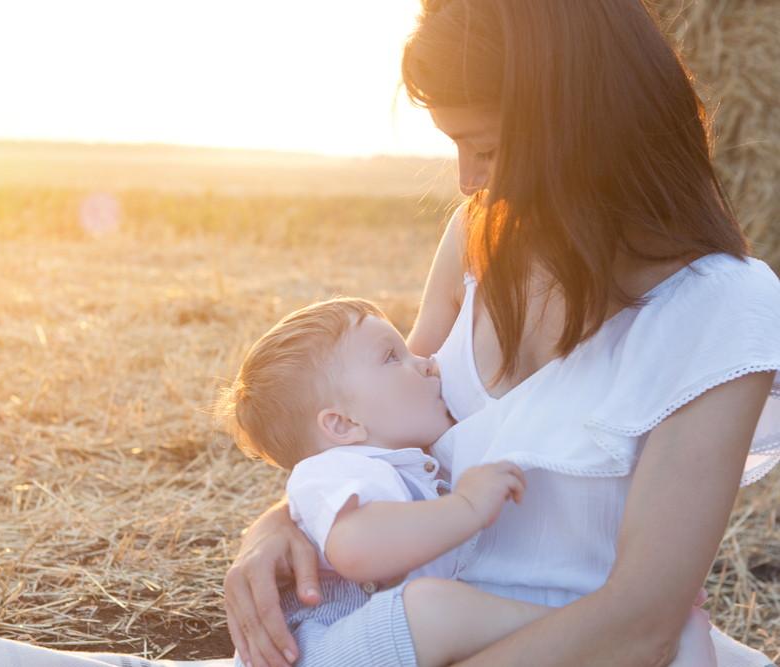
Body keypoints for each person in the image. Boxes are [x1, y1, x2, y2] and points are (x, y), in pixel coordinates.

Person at [221, 1, 780, 666]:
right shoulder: (476, 237)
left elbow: (640, 624)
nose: (466, 181)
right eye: (455, 146)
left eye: (484, 147)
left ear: (581, 124)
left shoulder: (722, 307)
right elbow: (373, 428)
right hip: (411, 643)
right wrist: (279, 524)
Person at [218, 296, 550, 667]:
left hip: (366, 643)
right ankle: (573, 629)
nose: (428, 363)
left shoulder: (398, 465)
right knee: (431, 609)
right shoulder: (334, 468)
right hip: (319, 643)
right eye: (392, 356)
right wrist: (466, 507)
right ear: (342, 424)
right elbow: (356, 547)